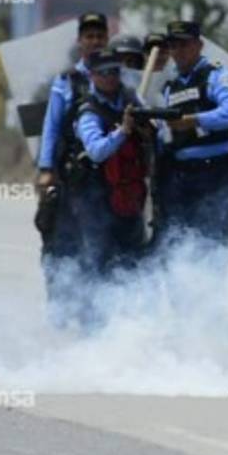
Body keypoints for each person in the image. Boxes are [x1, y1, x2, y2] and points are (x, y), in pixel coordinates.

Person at [36, 12, 110, 324]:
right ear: (80, 41)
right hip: (70, 175)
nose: (94, 41)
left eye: (99, 35)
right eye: (88, 36)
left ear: (106, 39)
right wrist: (46, 168)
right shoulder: (67, 80)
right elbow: (51, 127)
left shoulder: (115, 76)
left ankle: (93, 310)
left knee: (99, 243)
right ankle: (61, 307)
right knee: (61, 242)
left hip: (106, 177)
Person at [72, 47, 152, 324]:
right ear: (92, 75)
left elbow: (159, 134)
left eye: (115, 71)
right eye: (104, 73)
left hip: (129, 197)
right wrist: (123, 131)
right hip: (96, 199)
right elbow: (96, 150)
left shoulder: (133, 99)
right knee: (99, 263)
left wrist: (147, 127)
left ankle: (130, 323)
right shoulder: (88, 111)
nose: (110, 78)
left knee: (134, 263)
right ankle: (93, 327)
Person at [156, 20, 228, 261]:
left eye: (184, 45)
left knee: (213, 246)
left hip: (214, 174)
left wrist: (195, 120)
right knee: (179, 247)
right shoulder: (169, 87)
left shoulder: (216, 75)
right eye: (173, 46)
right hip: (179, 177)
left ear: (199, 45)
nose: (178, 52)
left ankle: (212, 298)